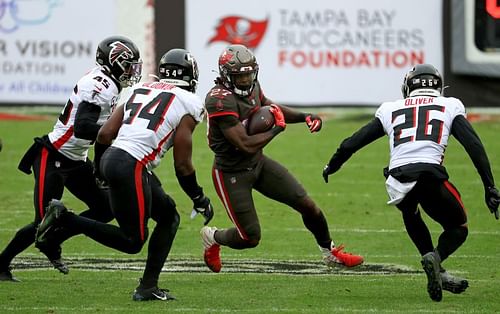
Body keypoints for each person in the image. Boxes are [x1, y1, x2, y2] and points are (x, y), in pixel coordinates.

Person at [35, 48, 214, 301]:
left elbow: (105, 135)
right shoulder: (190, 103)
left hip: (113, 157)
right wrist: (198, 197)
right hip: (133, 164)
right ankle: (65, 218)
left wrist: (100, 169)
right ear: (191, 76)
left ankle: (148, 287)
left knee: (168, 216)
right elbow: (183, 164)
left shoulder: (139, 90)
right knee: (133, 241)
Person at [322, 63, 500, 302]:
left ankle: (438, 268)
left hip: (397, 178)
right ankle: (436, 259)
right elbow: (473, 145)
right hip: (429, 173)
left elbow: (353, 142)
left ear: (407, 87)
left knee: (410, 211)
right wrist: (489, 186)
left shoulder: (390, 108)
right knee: (459, 227)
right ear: (438, 87)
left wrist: (332, 164)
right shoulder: (449, 104)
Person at [200, 44, 363, 273]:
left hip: (258, 163)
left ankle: (330, 252)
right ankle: (213, 237)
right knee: (250, 237)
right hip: (230, 172)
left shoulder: (252, 86)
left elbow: (269, 106)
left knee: (308, 206)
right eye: (240, 76)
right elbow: (245, 144)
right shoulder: (219, 100)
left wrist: (304, 116)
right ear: (226, 76)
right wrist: (276, 129)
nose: (246, 80)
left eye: (249, 74)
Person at [0, 35, 142, 282]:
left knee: (105, 208)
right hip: (52, 155)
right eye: (128, 64)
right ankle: (2, 263)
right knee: (42, 221)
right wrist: (119, 133)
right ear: (114, 61)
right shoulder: (100, 84)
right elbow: (83, 127)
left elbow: (98, 135)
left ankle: (54, 238)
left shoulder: (108, 82)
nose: (132, 70)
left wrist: (98, 165)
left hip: (76, 159)